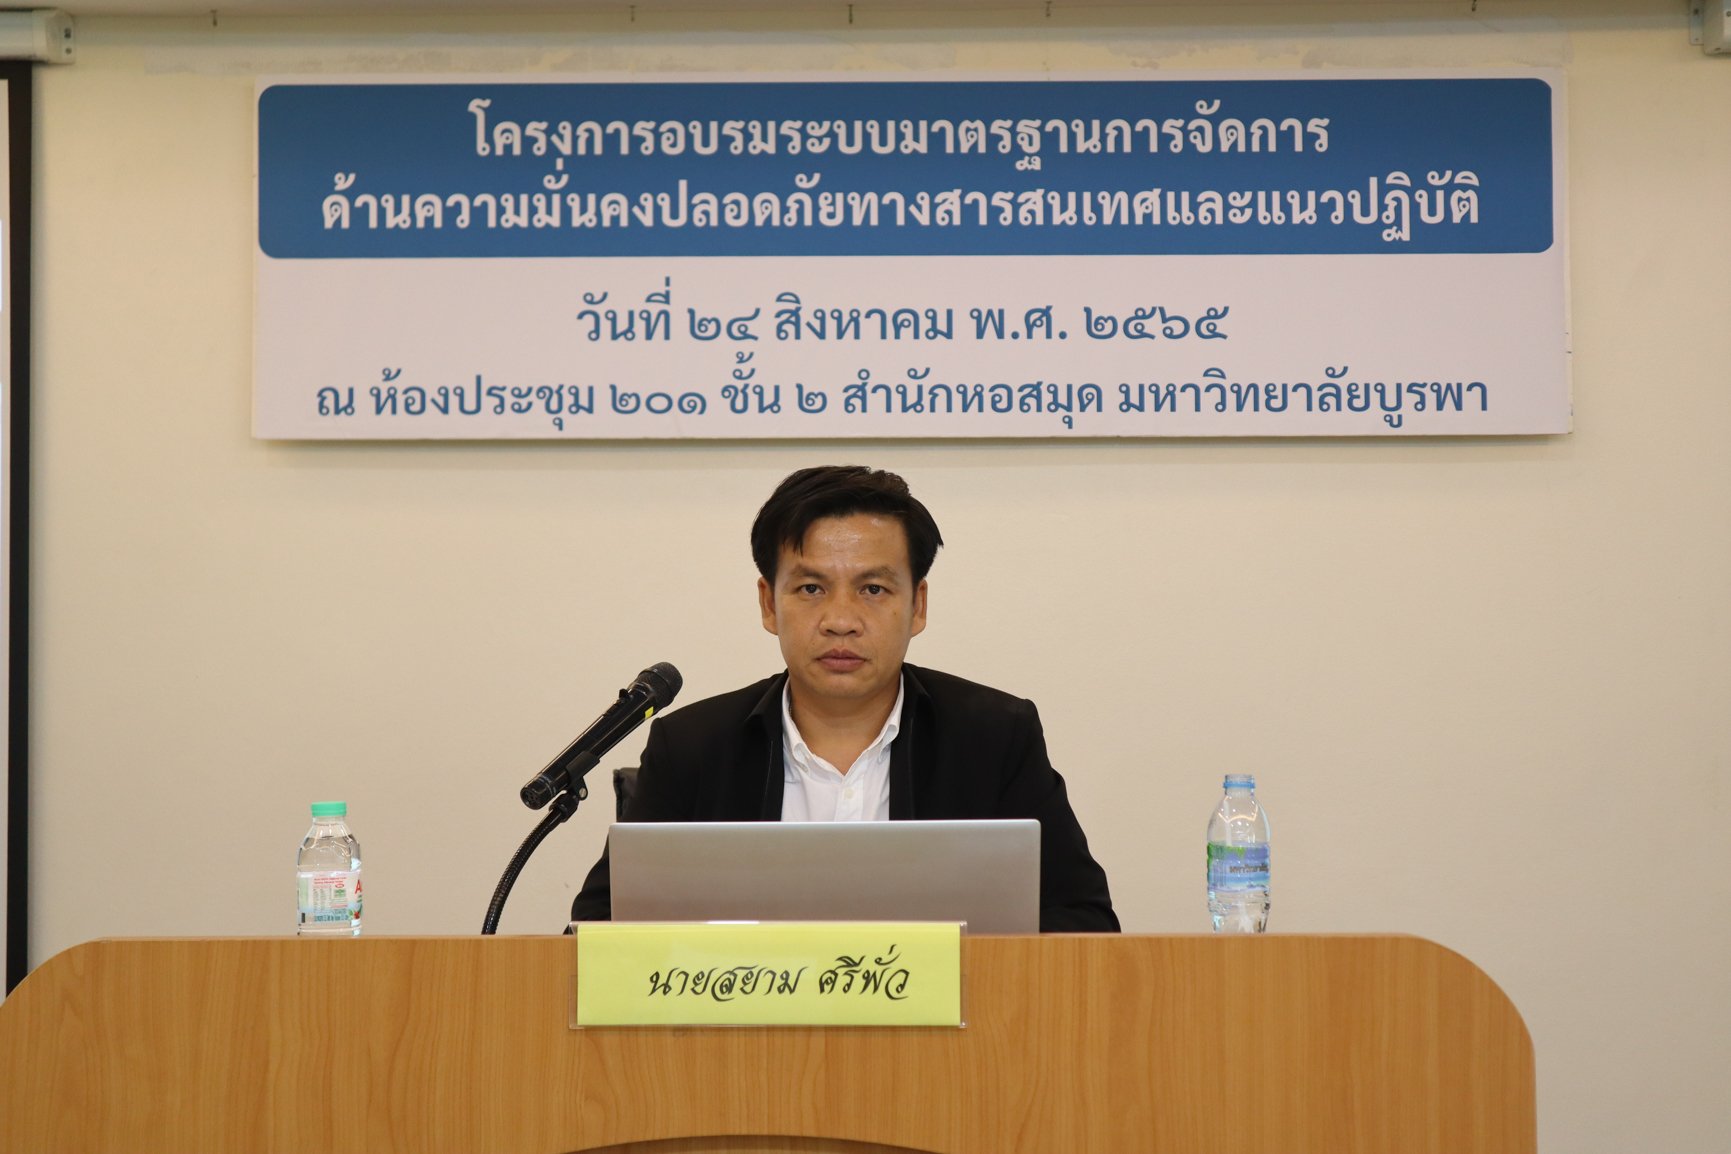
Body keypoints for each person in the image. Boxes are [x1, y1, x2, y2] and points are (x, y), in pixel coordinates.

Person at [571, 465, 1118, 932]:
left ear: (917, 605)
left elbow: (1083, 924)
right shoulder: (693, 746)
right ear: (769, 604)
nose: (840, 621)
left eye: (873, 589)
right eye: (811, 589)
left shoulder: (992, 737)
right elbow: (598, 929)